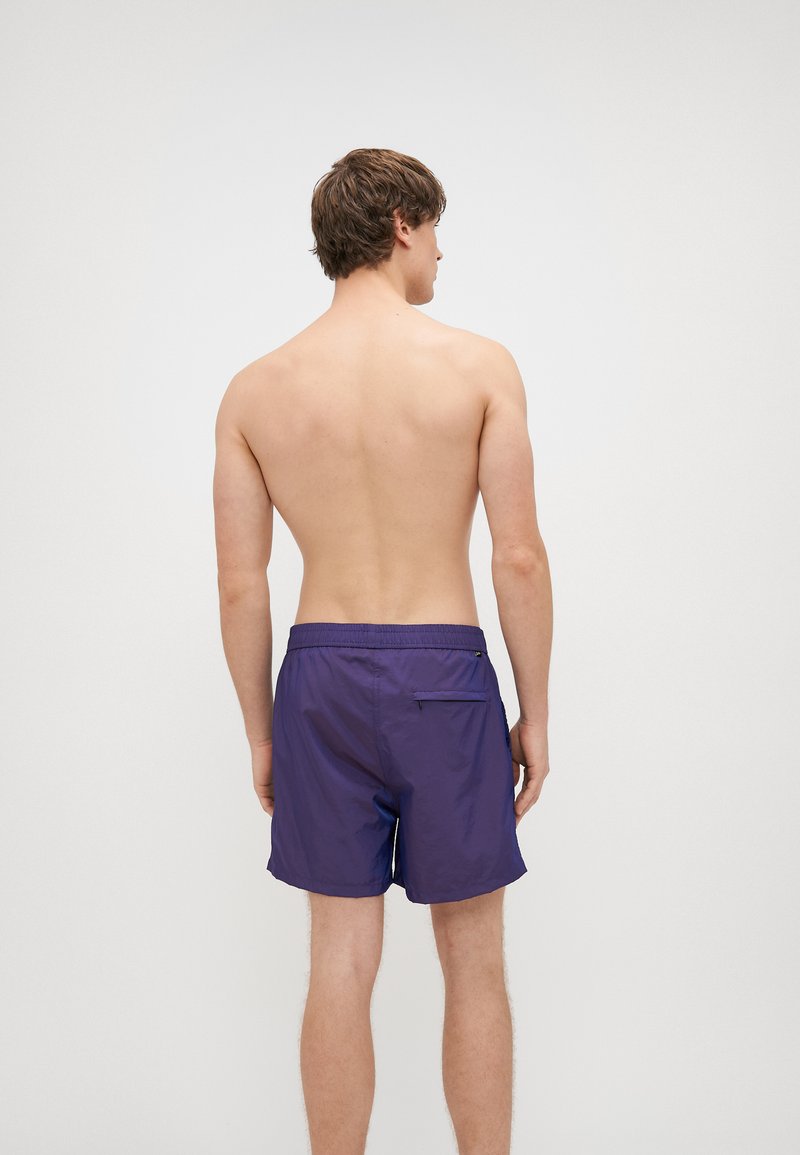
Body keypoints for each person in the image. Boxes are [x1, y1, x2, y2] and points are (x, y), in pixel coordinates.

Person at [212, 147, 553, 1155]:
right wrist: (535, 711)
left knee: (339, 958)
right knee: (474, 964)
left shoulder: (254, 391)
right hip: (443, 675)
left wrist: (261, 733)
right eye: (436, 232)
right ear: (401, 224)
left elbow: (240, 584)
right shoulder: (478, 367)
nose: (441, 254)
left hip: (318, 679)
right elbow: (518, 557)